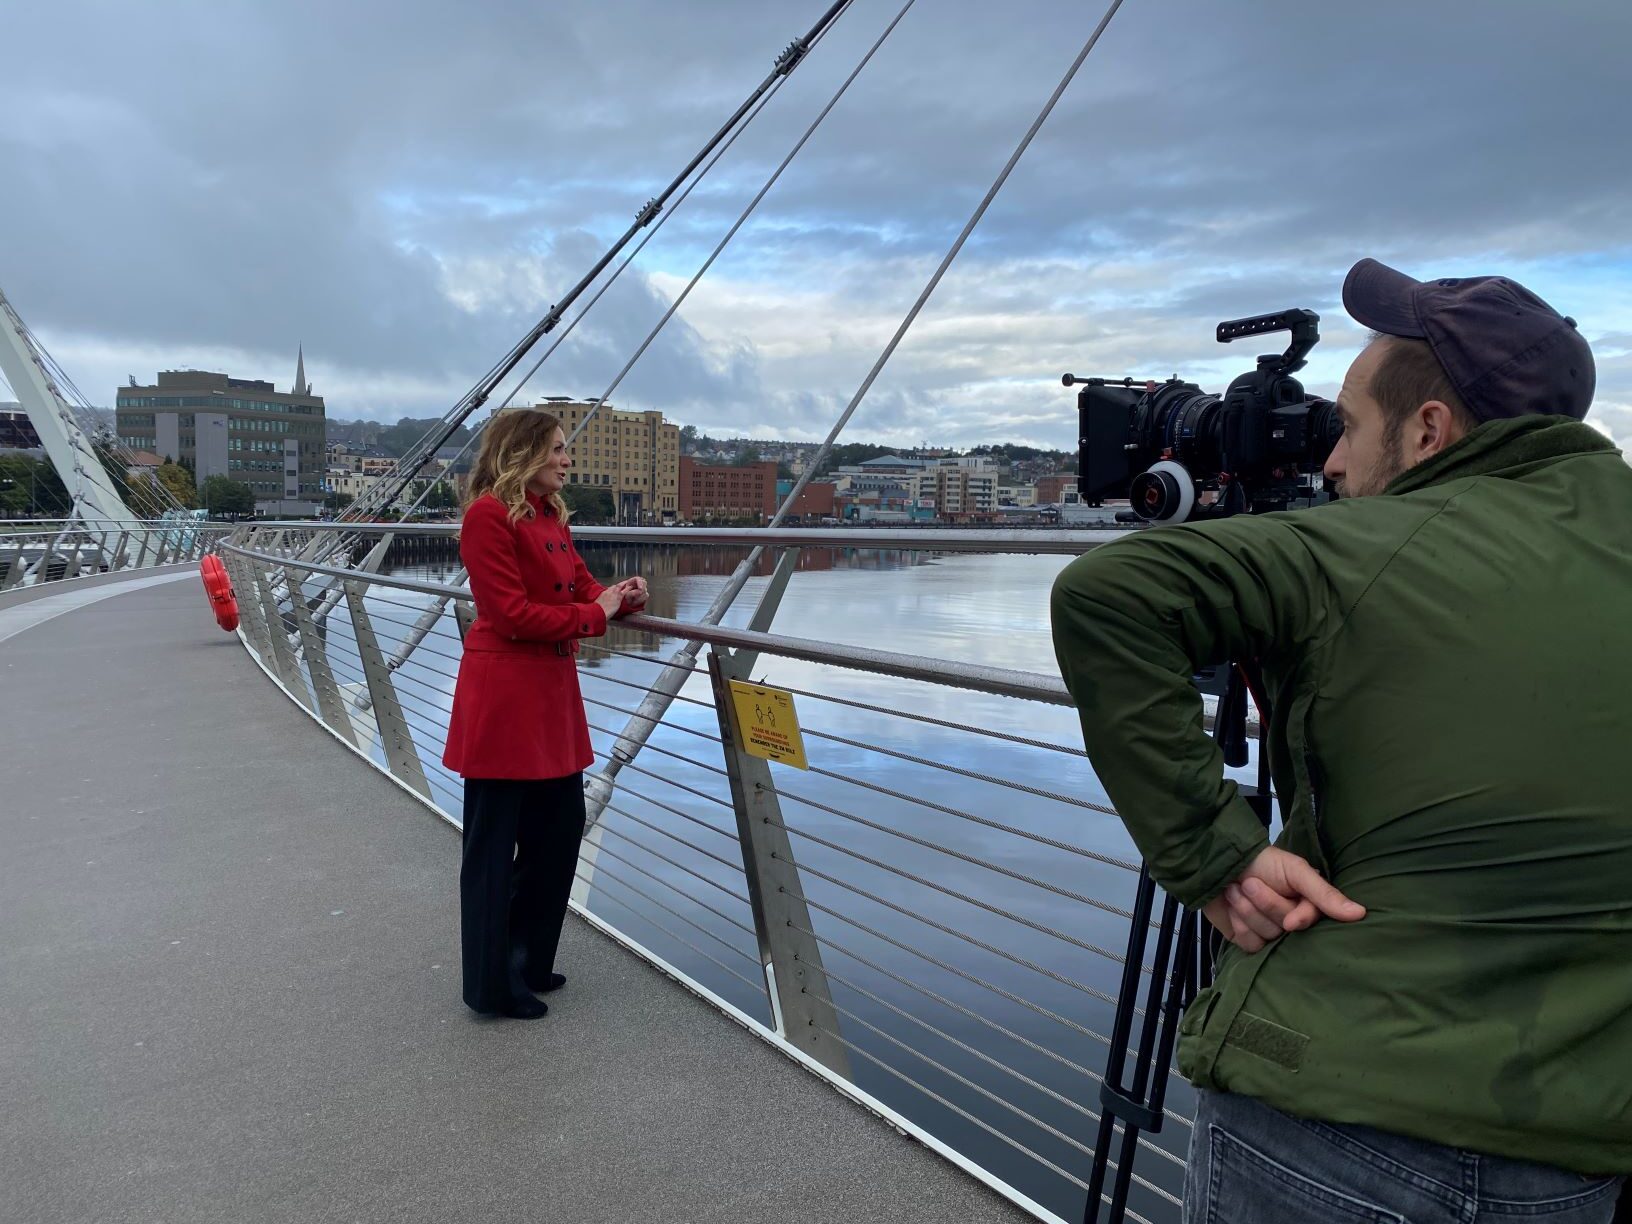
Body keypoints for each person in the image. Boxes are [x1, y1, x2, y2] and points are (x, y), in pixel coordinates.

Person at [1050, 259, 1631, 1221]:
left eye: (1349, 429)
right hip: (1587, 1132)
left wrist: (1217, 857)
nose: (1329, 465)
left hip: (1343, 1114)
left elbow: (1109, 595)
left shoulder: (1363, 548)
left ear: (1429, 432)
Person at [443, 408, 648, 1020]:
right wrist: (595, 615)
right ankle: (491, 985)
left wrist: (619, 597)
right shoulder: (487, 516)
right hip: (506, 698)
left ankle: (528, 960)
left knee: (558, 832)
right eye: (557, 448)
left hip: (550, 694)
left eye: (565, 448)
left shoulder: (551, 515)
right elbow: (509, 613)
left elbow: (580, 586)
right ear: (523, 452)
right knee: (492, 847)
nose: (566, 458)